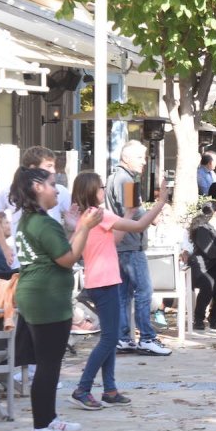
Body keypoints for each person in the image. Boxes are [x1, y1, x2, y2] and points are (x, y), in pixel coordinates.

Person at [12, 167, 103, 431]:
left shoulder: (32, 219)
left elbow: (62, 251)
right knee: (48, 366)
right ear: (37, 187)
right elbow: (68, 258)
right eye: (53, 184)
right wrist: (85, 227)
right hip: (45, 299)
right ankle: (40, 428)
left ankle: (49, 418)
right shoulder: (42, 223)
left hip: (38, 296)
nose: (58, 190)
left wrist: (76, 226)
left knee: (49, 363)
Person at [68, 172, 167, 410]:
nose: (104, 190)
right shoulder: (98, 214)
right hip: (104, 282)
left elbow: (112, 241)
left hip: (100, 280)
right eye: (101, 187)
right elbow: (141, 226)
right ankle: (83, 387)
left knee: (110, 338)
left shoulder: (89, 216)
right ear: (92, 191)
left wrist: (129, 213)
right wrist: (161, 201)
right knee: (110, 338)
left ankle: (110, 390)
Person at [106, 141, 170, 356]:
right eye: (141, 157)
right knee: (144, 291)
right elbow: (135, 214)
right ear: (127, 158)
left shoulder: (114, 178)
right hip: (132, 245)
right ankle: (147, 337)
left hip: (122, 244)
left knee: (124, 293)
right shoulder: (127, 180)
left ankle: (124, 338)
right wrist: (159, 206)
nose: (144, 162)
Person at [0, 146, 72, 269]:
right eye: (48, 166)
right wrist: (5, 248)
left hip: (54, 263)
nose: (53, 170)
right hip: (22, 265)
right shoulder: (9, 192)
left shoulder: (61, 191)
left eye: (54, 166)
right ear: (33, 168)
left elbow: (74, 222)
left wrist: (67, 244)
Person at [188, 200, 216, 331]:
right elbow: (211, 252)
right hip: (200, 266)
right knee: (209, 284)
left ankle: (215, 317)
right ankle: (198, 319)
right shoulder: (202, 229)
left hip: (215, 266)